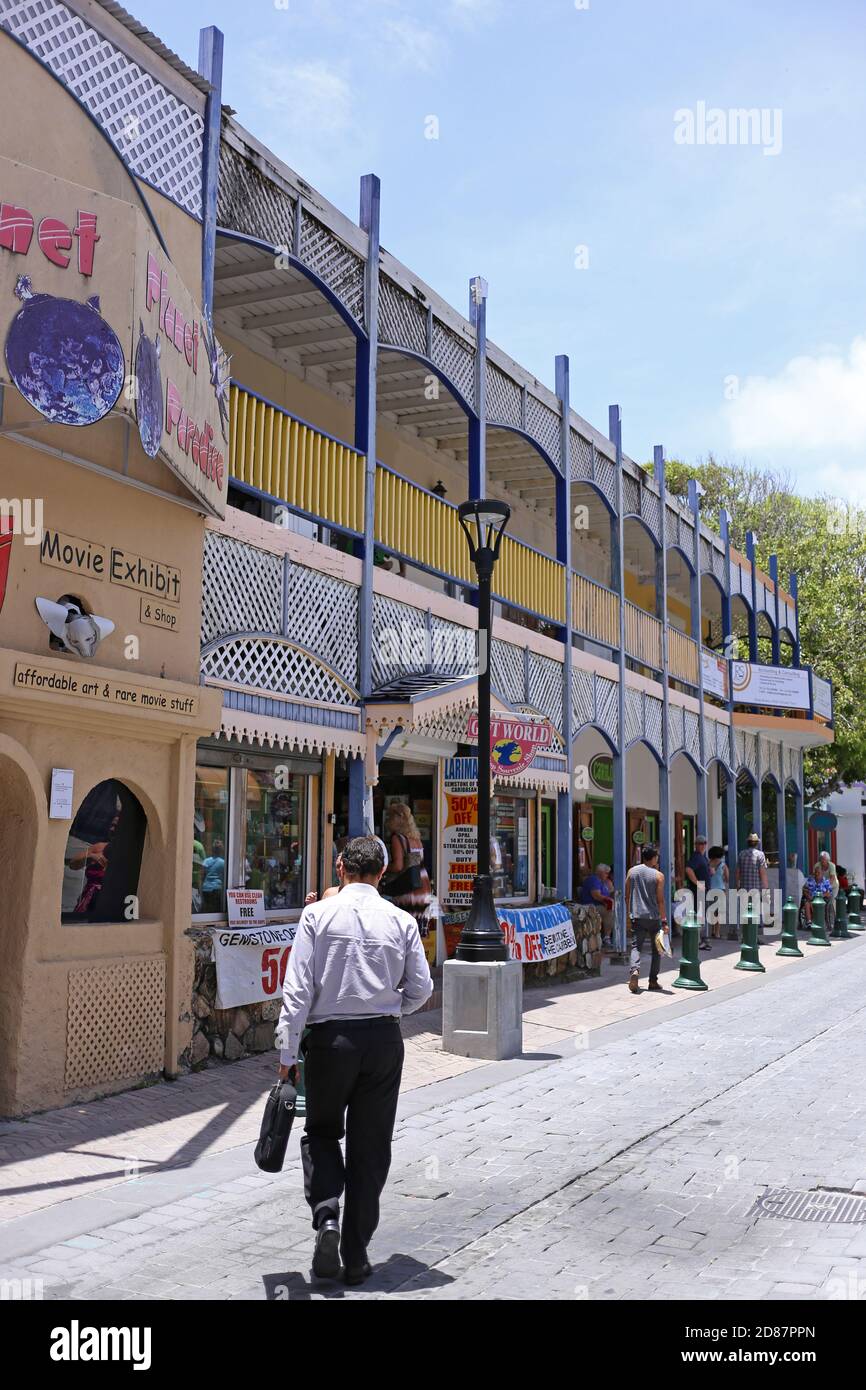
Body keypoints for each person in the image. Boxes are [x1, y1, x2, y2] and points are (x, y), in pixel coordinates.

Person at [276, 835, 433, 1285]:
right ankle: (357, 1253)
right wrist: (390, 1012)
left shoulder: (317, 915)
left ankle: (327, 1215)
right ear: (382, 873)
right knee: (371, 1146)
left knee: (322, 1131)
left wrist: (287, 1053)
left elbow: (298, 990)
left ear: (340, 866)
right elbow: (421, 988)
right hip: (383, 1042)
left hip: (330, 1041)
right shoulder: (400, 920)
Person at [382, 803, 432, 935]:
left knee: (404, 930)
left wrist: (383, 867)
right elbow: (416, 863)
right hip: (422, 885)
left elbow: (398, 867)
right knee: (416, 933)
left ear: (396, 819)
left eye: (389, 816)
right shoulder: (416, 839)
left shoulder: (398, 838)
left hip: (408, 888)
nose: (387, 820)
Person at [625, 844, 668, 994]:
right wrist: (664, 921)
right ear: (654, 858)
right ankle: (653, 981)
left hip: (638, 916)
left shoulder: (632, 872)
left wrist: (629, 913)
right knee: (657, 950)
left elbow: (627, 895)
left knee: (636, 947)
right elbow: (660, 900)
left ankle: (635, 971)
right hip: (654, 917)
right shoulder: (658, 876)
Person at [736, 832, 768, 938]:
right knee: (755, 913)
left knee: (745, 912)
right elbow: (762, 872)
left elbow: (738, 871)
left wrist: (738, 885)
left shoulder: (741, 854)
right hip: (755, 888)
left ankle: (745, 935)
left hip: (744, 888)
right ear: (756, 843)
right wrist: (766, 888)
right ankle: (753, 937)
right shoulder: (760, 855)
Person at [685, 834, 712, 951]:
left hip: (703, 891)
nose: (702, 845)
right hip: (698, 892)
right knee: (700, 915)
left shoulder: (703, 857)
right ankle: (701, 940)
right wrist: (698, 883)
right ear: (696, 845)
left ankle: (703, 940)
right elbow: (688, 869)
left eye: (704, 843)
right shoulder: (696, 857)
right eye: (700, 843)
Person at [578, 862, 614, 946]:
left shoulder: (602, 882)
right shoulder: (593, 880)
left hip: (598, 905)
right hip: (590, 906)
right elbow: (596, 895)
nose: (607, 875)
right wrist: (607, 900)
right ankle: (607, 937)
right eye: (606, 873)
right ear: (600, 872)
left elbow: (608, 893)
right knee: (609, 912)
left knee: (614, 909)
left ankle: (609, 935)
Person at [814, 851, 838, 933]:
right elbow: (815, 876)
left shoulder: (831, 865)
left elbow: (832, 878)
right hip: (821, 886)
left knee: (832, 901)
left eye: (824, 859)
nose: (822, 861)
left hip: (833, 885)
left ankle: (834, 920)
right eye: (821, 859)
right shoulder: (817, 865)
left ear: (828, 860)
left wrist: (826, 887)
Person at [707, 846, 728, 940]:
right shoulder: (723, 865)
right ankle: (717, 932)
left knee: (712, 911)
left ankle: (711, 931)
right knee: (719, 912)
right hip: (720, 889)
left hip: (710, 889)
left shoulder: (708, 864)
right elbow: (727, 878)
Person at [200, 839, 226, 913]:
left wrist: (201, 887)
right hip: (217, 888)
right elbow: (224, 876)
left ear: (212, 850)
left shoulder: (206, 861)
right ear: (221, 851)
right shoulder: (223, 863)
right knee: (215, 910)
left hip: (206, 888)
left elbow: (202, 875)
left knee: (207, 908)